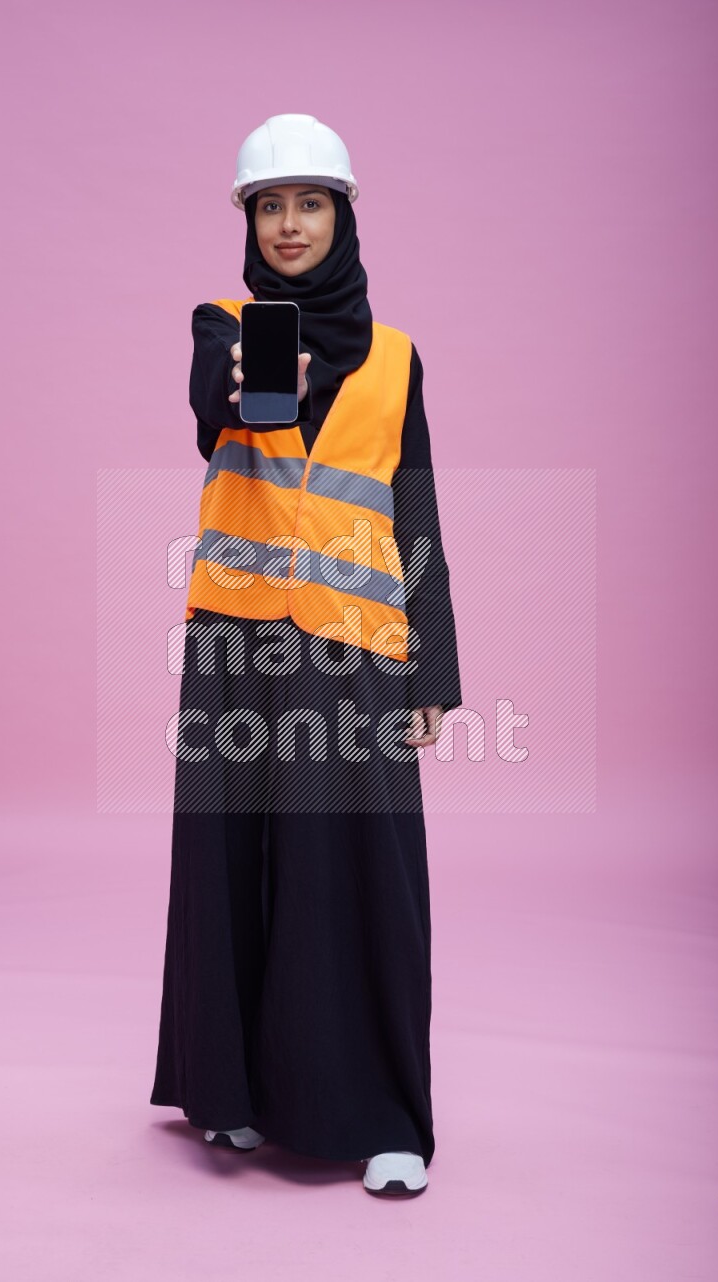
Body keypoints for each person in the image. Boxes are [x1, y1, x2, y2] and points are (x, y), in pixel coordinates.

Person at [149, 114, 462, 1198]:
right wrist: (234, 387)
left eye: (309, 204)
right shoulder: (223, 326)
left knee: (362, 872)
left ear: (343, 215)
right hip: (235, 643)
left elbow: (414, 516)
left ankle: (385, 1118)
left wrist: (433, 672)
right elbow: (210, 412)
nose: (289, 224)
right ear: (248, 220)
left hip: (357, 652)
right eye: (269, 206)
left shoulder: (397, 359)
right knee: (229, 863)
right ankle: (230, 1095)